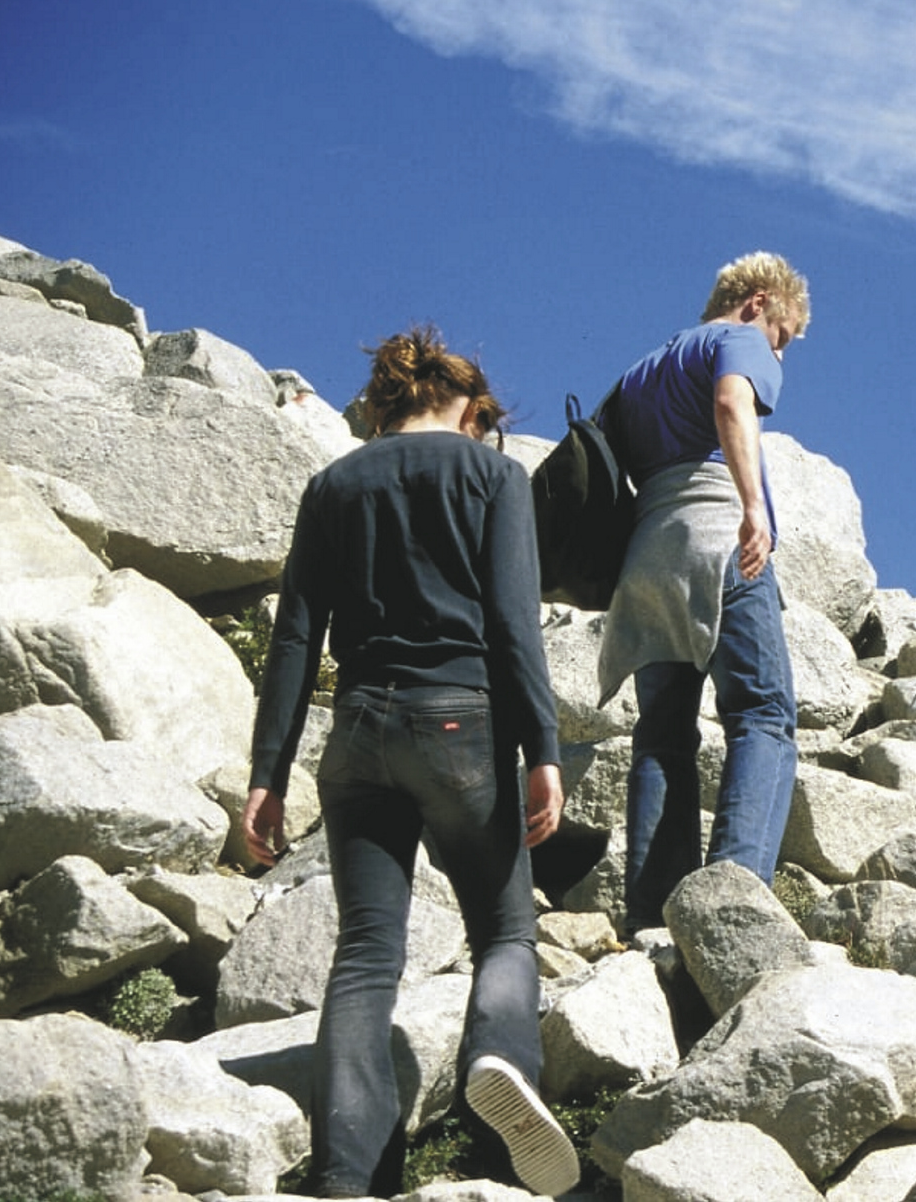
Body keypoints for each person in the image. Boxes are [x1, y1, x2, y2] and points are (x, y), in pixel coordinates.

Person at [241, 326, 580, 1199]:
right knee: (504, 929)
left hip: (358, 729)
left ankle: (345, 1175)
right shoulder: (493, 477)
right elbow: (513, 623)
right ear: (469, 408)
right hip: (462, 722)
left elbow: (294, 638)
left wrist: (266, 775)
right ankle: (499, 1056)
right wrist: (543, 750)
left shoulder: (333, 484)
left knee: (365, 952)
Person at [597, 251, 809, 932]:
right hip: (719, 536)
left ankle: (653, 919)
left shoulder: (640, 371)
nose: (779, 353)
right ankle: (731, 906)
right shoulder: (738, 340)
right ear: (758, 302)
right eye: (782, 336)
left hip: (647, 556)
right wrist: (753, 507)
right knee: (763, 714)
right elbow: (731, 402)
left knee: (662, 736)